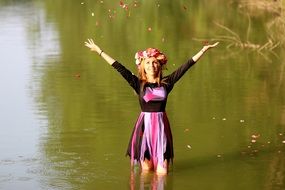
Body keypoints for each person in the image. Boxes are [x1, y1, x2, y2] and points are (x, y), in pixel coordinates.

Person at [85, 39, 219, 175]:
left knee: (162, 173)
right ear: (142, 66)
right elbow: (118, 67)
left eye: (155, 62)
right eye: (148, 63)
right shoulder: (138, 84)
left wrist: (203, 50)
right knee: (147, 171)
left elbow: (186, 66)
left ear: (160, 65)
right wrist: (99, 51)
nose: (151, 65)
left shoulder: (167, 83)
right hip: (144, 129)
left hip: (161, 128)